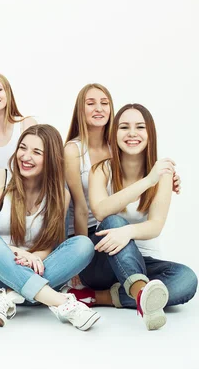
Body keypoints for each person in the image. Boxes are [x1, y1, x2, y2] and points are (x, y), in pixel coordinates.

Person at [69, 104, 197, 330]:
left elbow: (155, 226)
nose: (132, 133)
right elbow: (100, 211)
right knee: (114, 222)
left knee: (186, 280)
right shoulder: (102, 170)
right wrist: (148, 180)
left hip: (143, 261)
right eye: (124, 127)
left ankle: (101, 297)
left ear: (150, 133)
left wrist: (127, 232)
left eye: (140, 127)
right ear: (114, 133)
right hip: (103, 262)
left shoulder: (164, 174)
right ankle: (140, 293)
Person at [0, 124, 100, 331]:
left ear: (52, 159)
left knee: (84, 244)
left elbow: (49, 246)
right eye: (23, 148)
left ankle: (11, 296)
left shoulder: (60, 195)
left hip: (32, 272)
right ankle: (61, 302)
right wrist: (21, 254)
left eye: (37, 152)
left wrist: (35, 257)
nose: (26, 157)